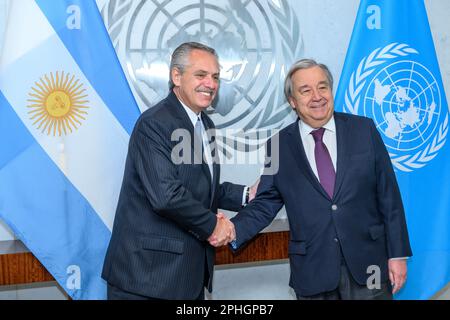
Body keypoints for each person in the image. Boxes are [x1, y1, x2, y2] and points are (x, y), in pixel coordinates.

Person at [225, 59, 412, 300]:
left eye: (322, 87)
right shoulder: (278, 146)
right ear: (293, 101)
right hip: (313, 272)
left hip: (369, 266)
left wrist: (397, 255)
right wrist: (231, 230)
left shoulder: (363, 130)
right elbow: (265, 202)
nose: (317, 96)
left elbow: (389, 196)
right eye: (306, 90)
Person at [102, 42, 257, 300]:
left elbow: (196, 187)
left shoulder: (203, 123)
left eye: (215, 77)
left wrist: (246, 194)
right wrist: (213, 226)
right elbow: (167, 195)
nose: (210, 84)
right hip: (147, 279)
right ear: (176, 76)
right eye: (201, 75)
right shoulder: (154, 124)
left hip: (186, 277)